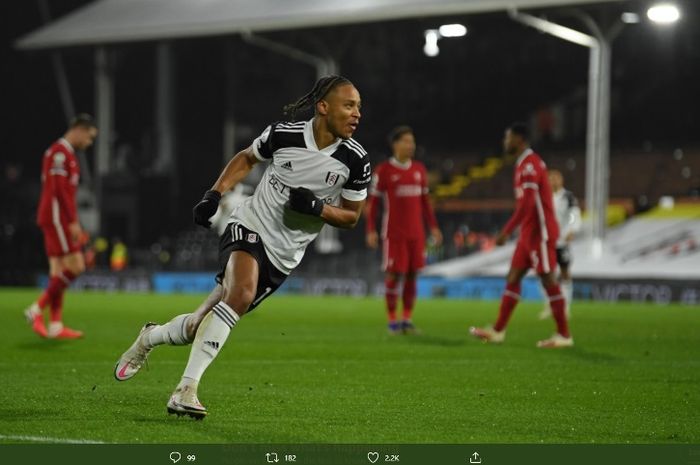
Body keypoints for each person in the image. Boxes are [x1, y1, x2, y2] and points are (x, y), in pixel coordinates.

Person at [114, 75, 370, 419]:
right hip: (249, 224)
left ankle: (149, 338)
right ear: (323, 107)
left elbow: (352, 217)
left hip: (283, 256)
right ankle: (185, 390)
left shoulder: (356, 161)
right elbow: (247, 159)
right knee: (241, 293)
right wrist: (214, 195)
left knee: (197, 325)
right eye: (349, 105)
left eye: (359, 107)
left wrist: (318, 208)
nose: (357, 114)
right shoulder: (285, 134)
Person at [469, 123, 573, 348]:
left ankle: (564, 335)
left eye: (508, 138)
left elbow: (527, 204)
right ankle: (498, 331)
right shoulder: (522, 164)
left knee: (548, 278)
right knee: (513, 276)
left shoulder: (530, 164)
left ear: (520, 140)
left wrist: (506, 231)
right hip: (529, 233)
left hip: (541, 232)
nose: (505, 142)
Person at [24, 114, 98, 339]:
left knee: (57, 272)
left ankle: (55, 326)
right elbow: (59, 190)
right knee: (77, 266)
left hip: (54, 216)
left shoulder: (67, 155)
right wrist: (73, 221)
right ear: (79, 130)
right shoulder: (59, 153)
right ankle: (36, 309)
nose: (89, 143)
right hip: (57, 217)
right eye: (89, 137)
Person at [365, 126, 442, 334]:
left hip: (416, 234)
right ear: (395, 144)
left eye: (413, 141)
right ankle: (392, 321)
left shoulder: (419, 169)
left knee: (411, 276)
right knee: (393, 276)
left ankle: (407, 320)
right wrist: (371, 229)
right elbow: (373, 205)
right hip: (394, 234)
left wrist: (434, 228)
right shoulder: (384, 171)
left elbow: (425, 202)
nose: (411, 145)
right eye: (407, 141)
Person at [538, 169, 581, 320]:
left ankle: (566, 307)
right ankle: (549, 306)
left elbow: (574, 215)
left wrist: (571, 230)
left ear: (561, 180)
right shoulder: (542, 196)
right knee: (545, 274)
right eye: (551, 178)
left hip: (562, 241)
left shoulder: (568, 197)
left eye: (557, 178)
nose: (554, 181)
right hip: (545, 241)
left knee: (564, 273)